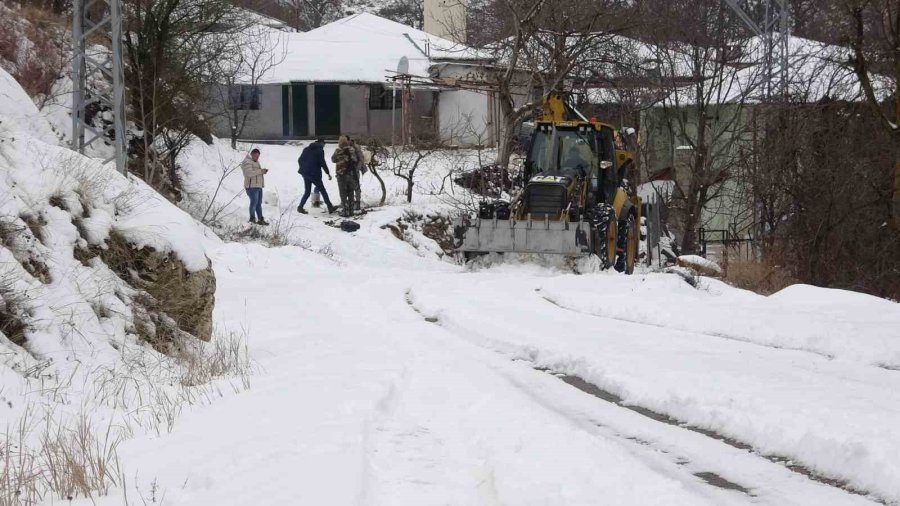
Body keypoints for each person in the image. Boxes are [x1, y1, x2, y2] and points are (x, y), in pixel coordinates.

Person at [297, 138, 336, 214]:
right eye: (324, 144)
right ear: (321, 143)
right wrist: (328, 173)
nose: (324, 146)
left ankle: (300, 207)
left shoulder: (306, 149)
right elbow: (322, 162)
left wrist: (304, 168)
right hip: (314, 174)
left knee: (307, 191)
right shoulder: (320, 150)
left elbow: (299, 160)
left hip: (305, 173)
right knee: (322, 190)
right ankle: (330, 207)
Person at [331, 135, 359, 217]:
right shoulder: (352, 150)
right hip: (350, 173)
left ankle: (345, 211)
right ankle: (351, 211)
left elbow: (333, 159)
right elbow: (355, 160)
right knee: (350, 192)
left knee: (343, 193)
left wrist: (340, 160)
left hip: (341, 174)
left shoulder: (337, 151)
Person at [241, 148, 268, 225]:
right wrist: (261, 171)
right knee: (254, 203)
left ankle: (260, 219)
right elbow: (249, 173)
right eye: (256, 156)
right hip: (251, 187)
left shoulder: (256, 161)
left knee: (258, 203)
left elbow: (256, 173)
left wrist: (262, 171)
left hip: (258, 186)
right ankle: (252, 219)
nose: (257, 158)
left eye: (258, 156)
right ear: (252, 154)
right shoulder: (247, 161)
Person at [349, 137, 367, 213]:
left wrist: (357, 168)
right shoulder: (347, 147)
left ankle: (358, 204)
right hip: (349, 171)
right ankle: (352, 203)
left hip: (355, 170)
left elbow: (361, 159)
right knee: (350, 187)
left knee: (356, 187)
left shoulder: (356, 147)